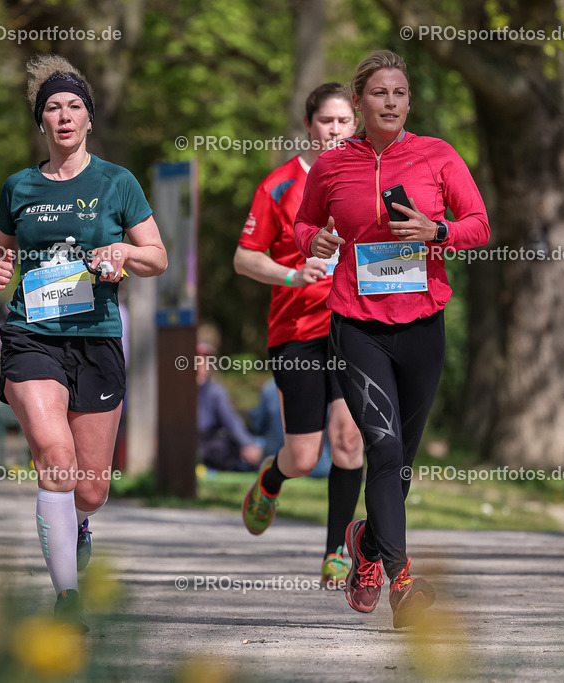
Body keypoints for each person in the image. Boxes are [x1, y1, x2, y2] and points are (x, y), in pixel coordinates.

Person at [294, 50, 490, 627]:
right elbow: (305, 224)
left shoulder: (437, 155)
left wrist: (439, 230)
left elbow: (479, 224)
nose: (391, 102)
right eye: (379, 93)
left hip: (422, 324)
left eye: (400, 93)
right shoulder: (332, 166)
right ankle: (402, 584)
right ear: (358, 102)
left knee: (399, 461)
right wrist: (316, 242)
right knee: (380, 448)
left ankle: (367, 547)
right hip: (356, 325)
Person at [0, 55, 167, 627]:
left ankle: (79, 523)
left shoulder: (118, 183)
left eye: (74, 107)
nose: (64, 117)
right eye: (53, 109)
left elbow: (158, 258)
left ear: (89, 119)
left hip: (96, 340)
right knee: (55, 457)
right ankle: (67, 598)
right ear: (41, 123)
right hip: (31, 337)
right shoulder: (19, 186)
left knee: (89, 489)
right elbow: (1, 252)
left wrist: (124, 254)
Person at [234, 82, 364, 588]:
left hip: (353, 325)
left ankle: (337, 552)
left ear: (356, 124)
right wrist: (292, 274)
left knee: (349, 439)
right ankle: (271, 478)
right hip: (297, 331)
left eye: (344, 122)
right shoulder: (280, 185)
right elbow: (244, 258)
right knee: (305, 457)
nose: (335, 130)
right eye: (326, 121)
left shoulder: (365, 180)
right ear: (309, 125)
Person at [196, 342, 263, 471]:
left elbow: (231, 420)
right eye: (197, 360)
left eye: (205, 361)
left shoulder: (215, 391)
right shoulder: (181, 391)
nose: (201, 365)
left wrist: (247, 443)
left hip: (210, 444)